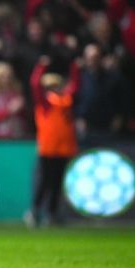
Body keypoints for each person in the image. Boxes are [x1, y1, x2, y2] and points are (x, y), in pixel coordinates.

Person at [27, 56, 80, 227]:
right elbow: (34, 85)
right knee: (45, 182)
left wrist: (75, 68)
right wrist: (41, 66)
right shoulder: (45, 103)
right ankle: (35, 211)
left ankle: (52, 212)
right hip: (48, 148)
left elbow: (75, 87)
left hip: (63, 148)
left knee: (57, 182)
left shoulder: (65, 101)